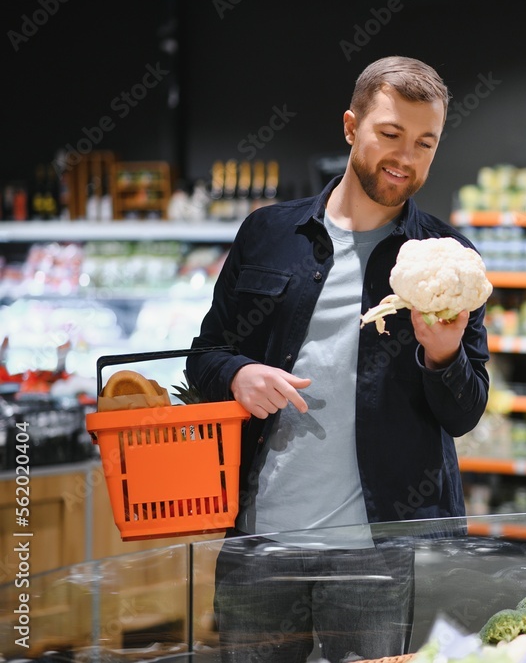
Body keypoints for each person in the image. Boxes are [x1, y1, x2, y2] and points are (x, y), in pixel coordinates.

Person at [186, 56, 490, 662]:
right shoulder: (268, 233)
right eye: (390, 134)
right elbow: (205, 356)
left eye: (425, 142)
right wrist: (238, 375)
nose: (406, 157)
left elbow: (465, 412)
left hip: (377, 551)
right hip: (261, 541)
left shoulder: (448, 259)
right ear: (351, 127)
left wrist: (445, 354)